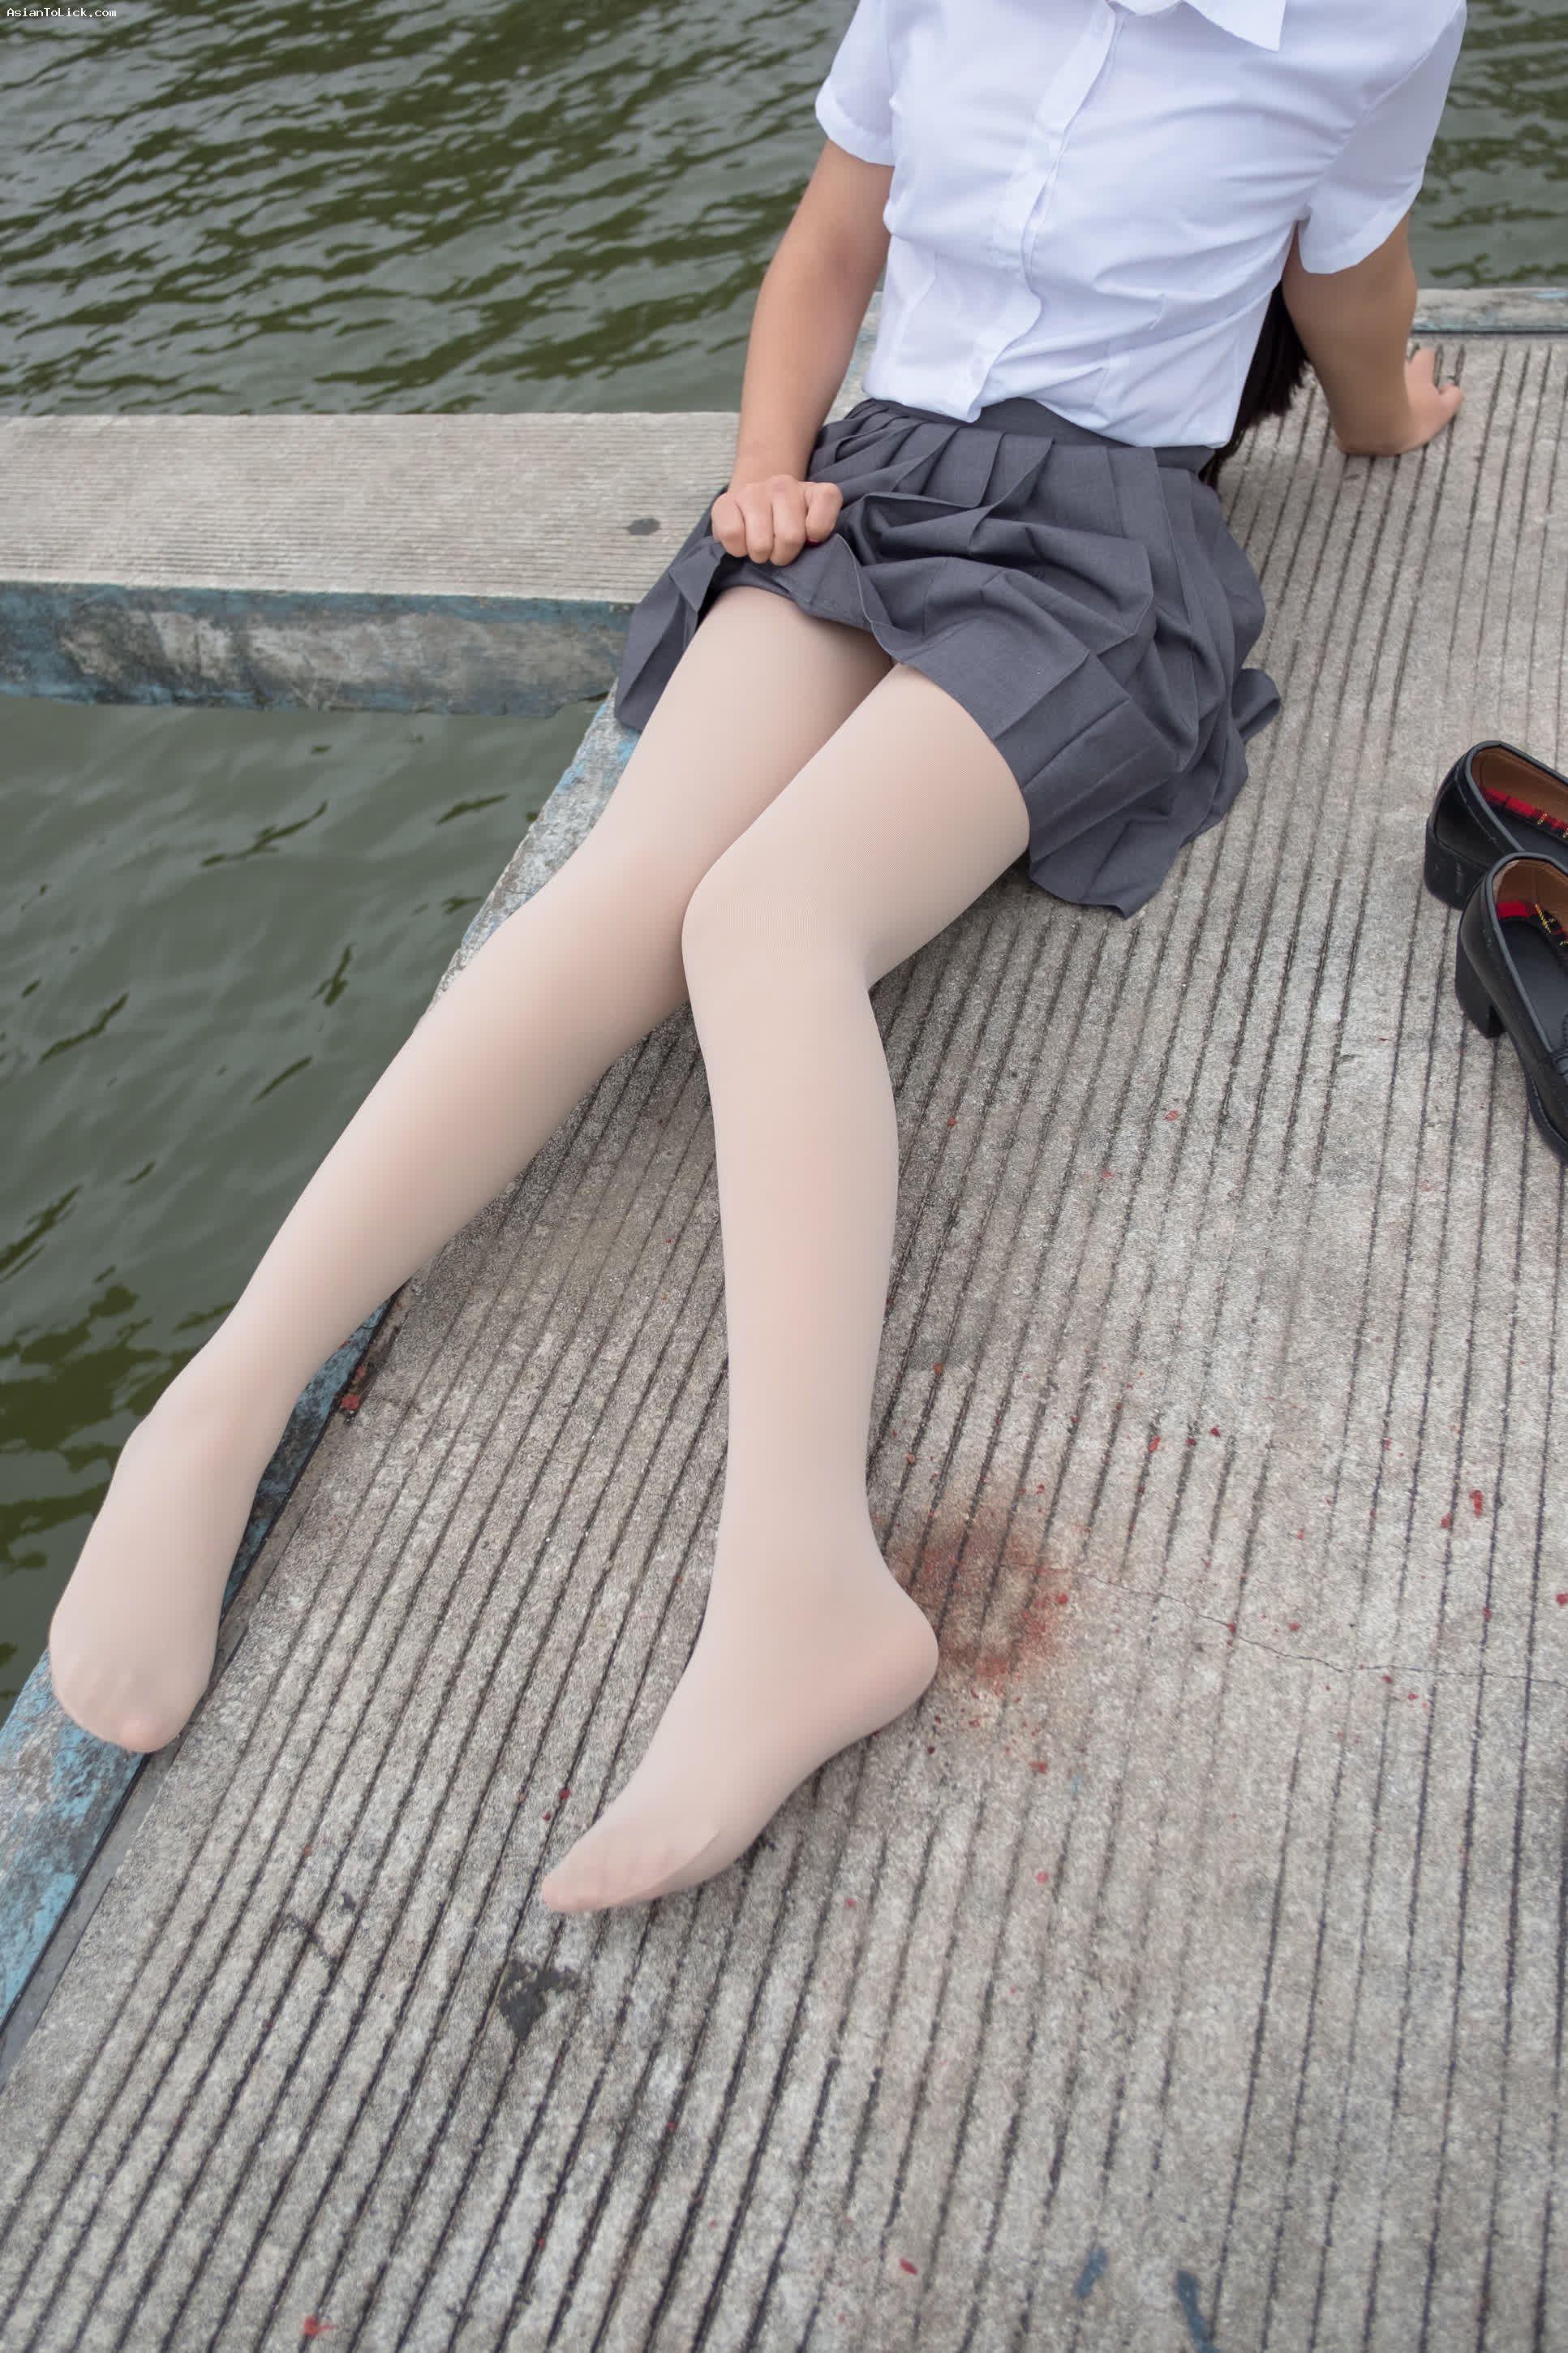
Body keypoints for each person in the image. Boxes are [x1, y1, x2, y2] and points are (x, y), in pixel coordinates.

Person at [47, 0, 1467, 1916]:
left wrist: (1389, 420)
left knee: (769, 915)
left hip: (1108, 545)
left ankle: (802, 1581)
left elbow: (1349, 284)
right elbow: (831, 241)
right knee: (627, 886)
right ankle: (219, 1401)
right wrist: (766, 464)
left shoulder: (1369, 14)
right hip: (877, 480)